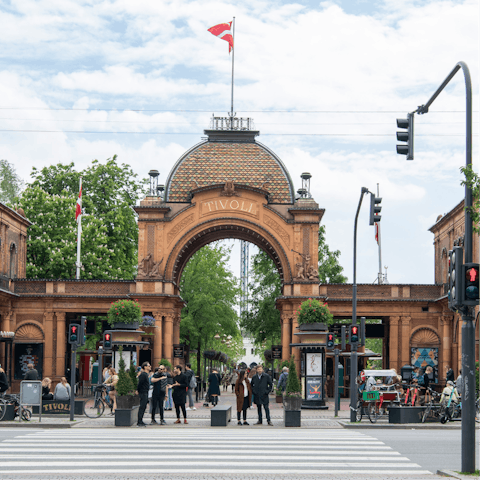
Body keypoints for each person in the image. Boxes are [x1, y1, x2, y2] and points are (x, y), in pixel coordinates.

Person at [136, 362, 151, 427]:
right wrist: (137, 390)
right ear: (145, 367)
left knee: (144, 407)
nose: (150, 366)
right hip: (143, 392)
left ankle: (141, 420)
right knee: (142, 407)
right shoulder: (143, 374)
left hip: (145, 392)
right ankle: (139, 422)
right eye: (148, 366)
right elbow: (140, 383)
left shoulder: (146, 374)